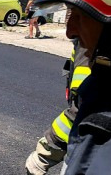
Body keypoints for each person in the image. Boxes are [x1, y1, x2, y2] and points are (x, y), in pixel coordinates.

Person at [32, 0, 111, 174]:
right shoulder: (106, 85)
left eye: (80, 16)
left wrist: (46, 153)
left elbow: (76, 109)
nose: (70, 31)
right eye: (69, 13)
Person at [25, 39, 90, 175]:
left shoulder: (95, 43)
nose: (70, 30)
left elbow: (84, 109)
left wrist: (44, 155)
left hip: (92, 153)